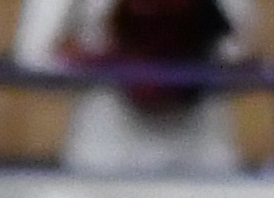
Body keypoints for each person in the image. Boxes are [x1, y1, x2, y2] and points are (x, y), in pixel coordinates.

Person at [14, 0, 250, 176]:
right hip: (106, 153)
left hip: (201, 151)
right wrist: (108, 62)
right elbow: (35, 54)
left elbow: (239, 50)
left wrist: (176, 48)